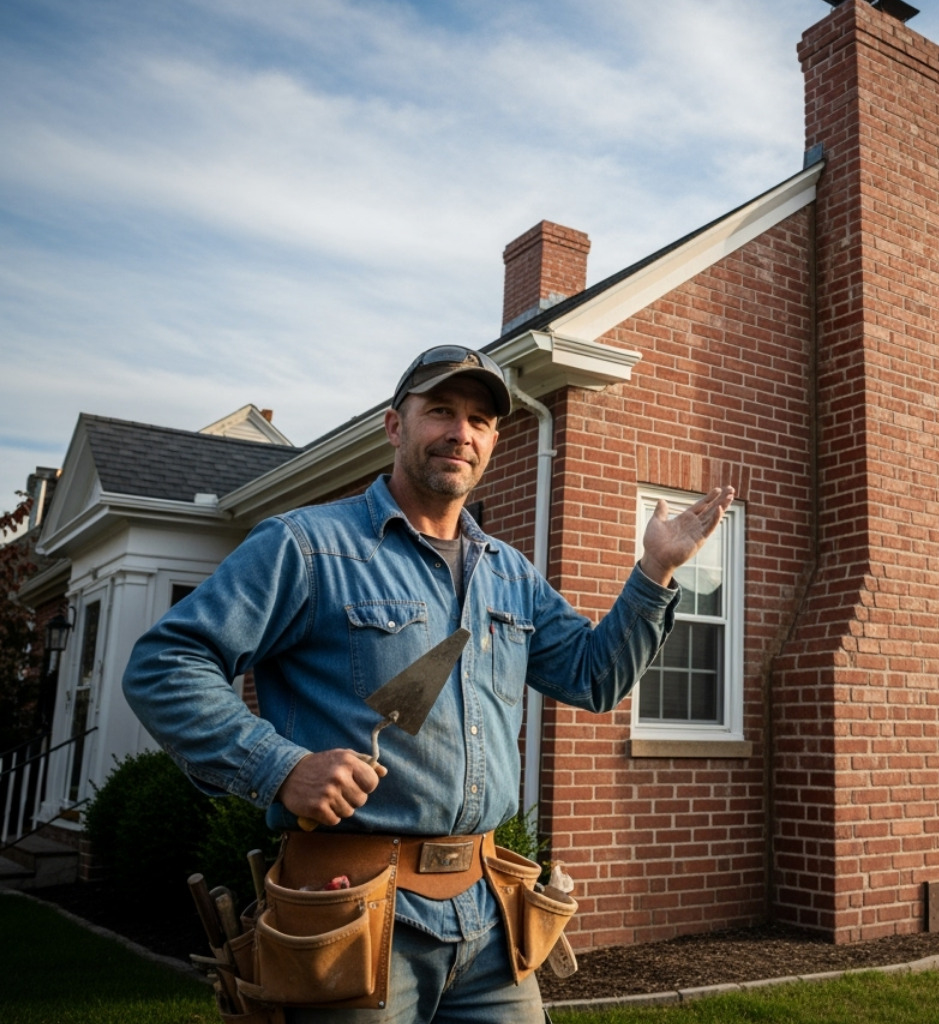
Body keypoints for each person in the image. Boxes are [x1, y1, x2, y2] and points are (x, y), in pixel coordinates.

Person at [123, 344, 734, 1023]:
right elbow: (165, 663)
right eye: (440, 411)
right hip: (350, 909)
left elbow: (594, 679)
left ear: (495, 439)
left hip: (489, 916)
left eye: (479, 419)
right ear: (395, 426)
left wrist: (654, 573)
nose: (460, 433)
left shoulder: (510, 574)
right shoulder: (306, 547)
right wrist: (279, 766)